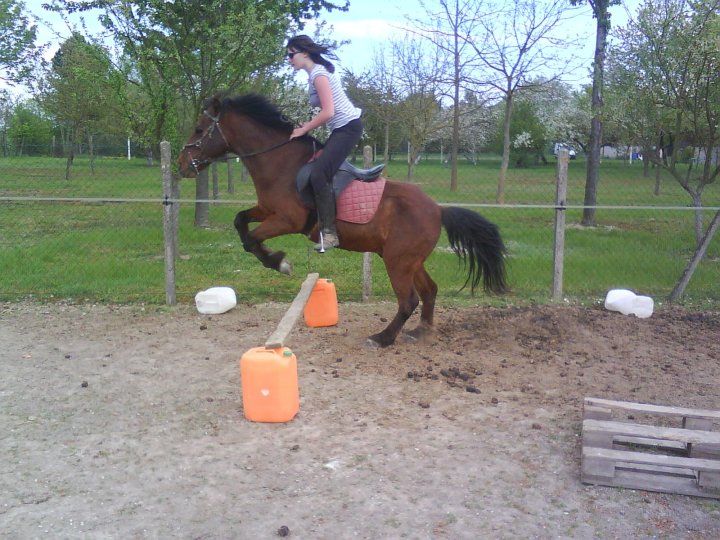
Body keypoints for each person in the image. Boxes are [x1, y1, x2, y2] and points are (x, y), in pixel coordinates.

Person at [286, 35, 363, 252]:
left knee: (319, 174)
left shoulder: (319, 75)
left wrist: (305, 129)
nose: (289, 59)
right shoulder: (314, 75)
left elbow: (329, 112)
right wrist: (306, 125)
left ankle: (329, 234)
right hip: (340, 129)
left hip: (347, 128)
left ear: (304, 53)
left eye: (291, 54)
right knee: (315, 165)